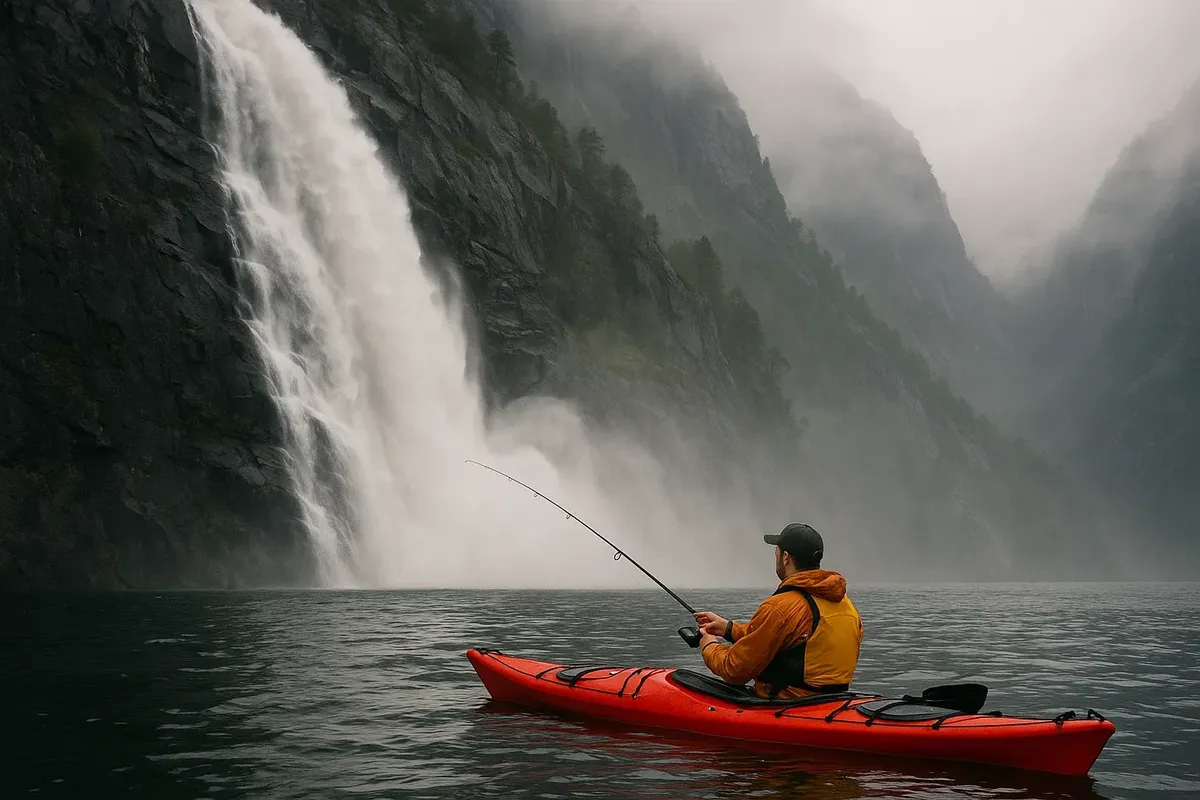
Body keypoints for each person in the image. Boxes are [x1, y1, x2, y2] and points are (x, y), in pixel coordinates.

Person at [693, 523, 863, 700]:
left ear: (786, 558)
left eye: (777, 552)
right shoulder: (847, 605)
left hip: (788, 705)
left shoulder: (780, 607)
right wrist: (728, 629)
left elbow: (735, 670)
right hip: (835, 702)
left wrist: (708, 644)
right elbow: (776, 637)